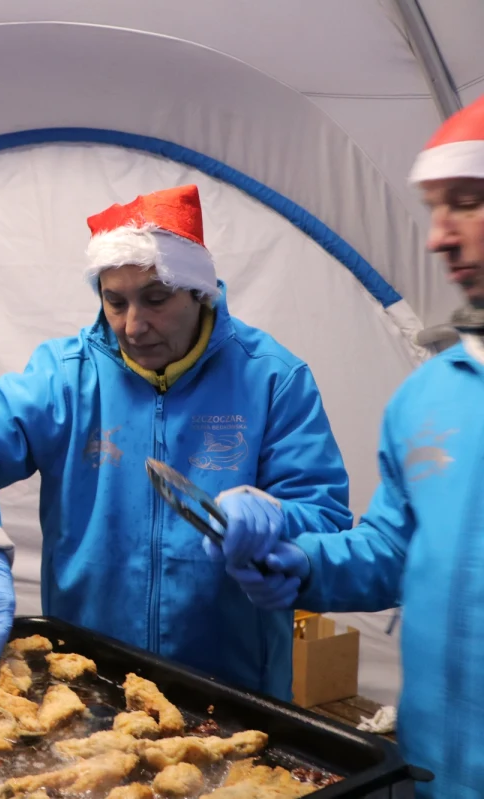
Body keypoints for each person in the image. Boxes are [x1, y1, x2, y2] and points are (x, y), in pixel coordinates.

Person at [0, 185, 352, 697]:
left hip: (233, 691)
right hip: (89, 680)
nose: (134, 326)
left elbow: (326, 520)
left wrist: (277, 521)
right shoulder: (67, 377)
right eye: (115, 302)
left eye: (156, 299)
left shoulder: (270, 378)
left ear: (199, 292)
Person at [222, 95, 484, 796]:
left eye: (466, 203)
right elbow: (393, 550)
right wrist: (300, 561)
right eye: (435, 209)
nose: (437, 237)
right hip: (435, 774)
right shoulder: (429, 398)